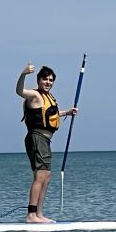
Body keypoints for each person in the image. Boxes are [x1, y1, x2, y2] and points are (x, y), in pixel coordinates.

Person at [16, 63, 77, 223]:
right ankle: (31, 215)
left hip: (46, 140)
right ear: (38, 80)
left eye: (51, 80)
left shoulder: (48, 98)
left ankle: (39, 214)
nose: (48, 82)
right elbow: (19, 91)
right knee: (40, 175)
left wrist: (68, 113)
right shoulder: (35, 96)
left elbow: (51, 115)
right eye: (45, 79)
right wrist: (23, 74)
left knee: (47, 176)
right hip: (37, 138)